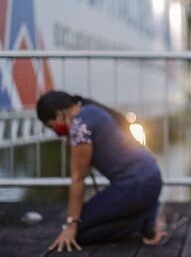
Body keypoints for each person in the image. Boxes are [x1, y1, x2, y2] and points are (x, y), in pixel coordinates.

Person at [36, 91, 165, 252]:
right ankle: (146, 211)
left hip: (135, 185)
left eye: (51, 126)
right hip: (151, 178)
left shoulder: (80, 126)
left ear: (59, 114)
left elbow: (78, 178)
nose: (56, 132)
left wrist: (71, 226)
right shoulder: (92, 110)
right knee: (86, 220)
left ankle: (143, 219)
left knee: (80, 233)